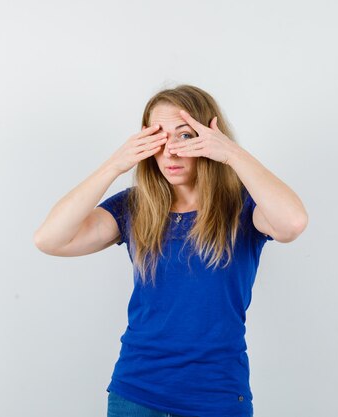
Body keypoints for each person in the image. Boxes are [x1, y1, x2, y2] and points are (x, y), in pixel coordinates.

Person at [33, 84, 308, 417]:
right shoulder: (134, 207)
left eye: (185, 136)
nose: (170, 152)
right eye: (158, 138)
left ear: (210, 138)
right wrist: (114, 166)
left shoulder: (243, 207)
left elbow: (292, 222)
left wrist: (232, 153)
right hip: (136, 393)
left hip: (217, 396)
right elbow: (49, 239)